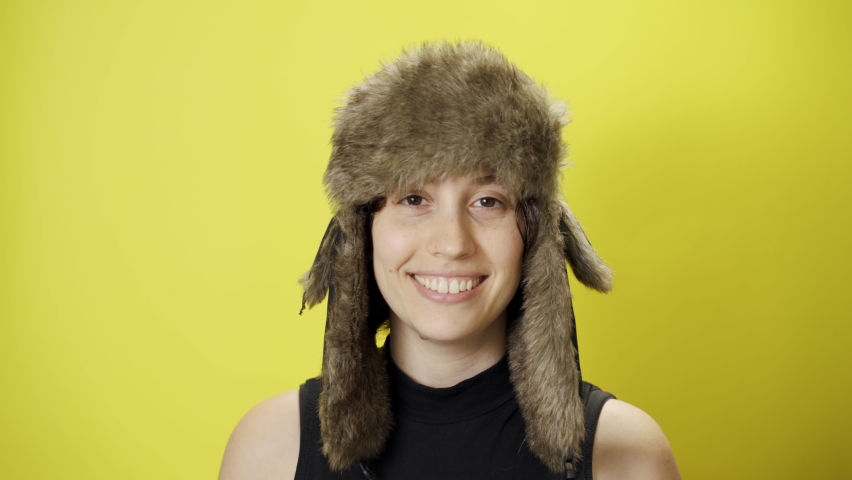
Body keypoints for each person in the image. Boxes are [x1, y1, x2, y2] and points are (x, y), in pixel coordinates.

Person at [219, 41, 681, 480]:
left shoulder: (624, 455)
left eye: (487, 201)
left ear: (536, 234)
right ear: (363, 231)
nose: (453, 243)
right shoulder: (272, 449)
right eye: (415, 198)